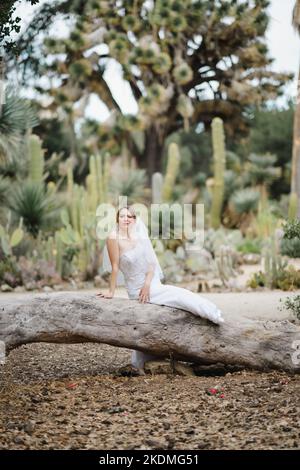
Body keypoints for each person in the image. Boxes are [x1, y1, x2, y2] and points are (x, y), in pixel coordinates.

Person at [97, 205, 224, 371]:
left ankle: (211, 313)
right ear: (117, 219)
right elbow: (115, 267)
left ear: (135, 220)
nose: (126, 219)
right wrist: (111, 292)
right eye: (122, 216)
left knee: (178, 294)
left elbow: (151, 264)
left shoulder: (139, 236)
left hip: (151, 284)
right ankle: (210, 314)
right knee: (176, 296)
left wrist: (148, 284)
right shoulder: (113, 238)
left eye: (130, 216)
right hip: (136, 289)